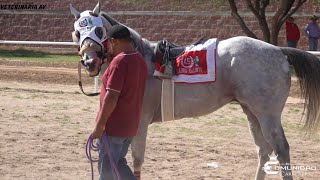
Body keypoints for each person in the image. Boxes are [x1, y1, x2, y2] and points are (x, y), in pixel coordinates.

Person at [91, 24, 148, 180]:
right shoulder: (140, 61)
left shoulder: (119, 62)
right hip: (130, 127)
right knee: (118, 164)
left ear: (114, 41)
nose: (109, 47)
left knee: (107, 171)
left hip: (113, 127)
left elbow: (112, 96)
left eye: (109, 43)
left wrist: (100, 125)